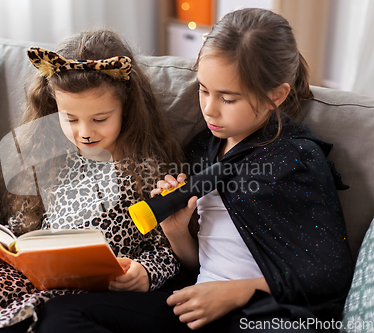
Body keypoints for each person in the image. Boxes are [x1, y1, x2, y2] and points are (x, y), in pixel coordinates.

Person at [37, 8, 355, 333]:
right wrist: (176, 231)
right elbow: (198, 266)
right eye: (203, 90)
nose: (209, 108)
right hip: (198, 306)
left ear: (276, 95)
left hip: (265, 314)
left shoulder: (296, 158)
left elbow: (329, 273)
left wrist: (235, 292)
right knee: (59, 314)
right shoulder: (204, 148)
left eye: (227, 98)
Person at [0, 29, 184, 333]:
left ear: (126, 109)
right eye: (70, 119)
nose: (84, 132)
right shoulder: (48, 153)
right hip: (26, 274)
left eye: (99, 119)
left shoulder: (149, 168)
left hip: (86, 288)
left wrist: (146, 272)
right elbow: (23, 233)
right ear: (54, 107)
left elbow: (170, 250)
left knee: (25, 318)